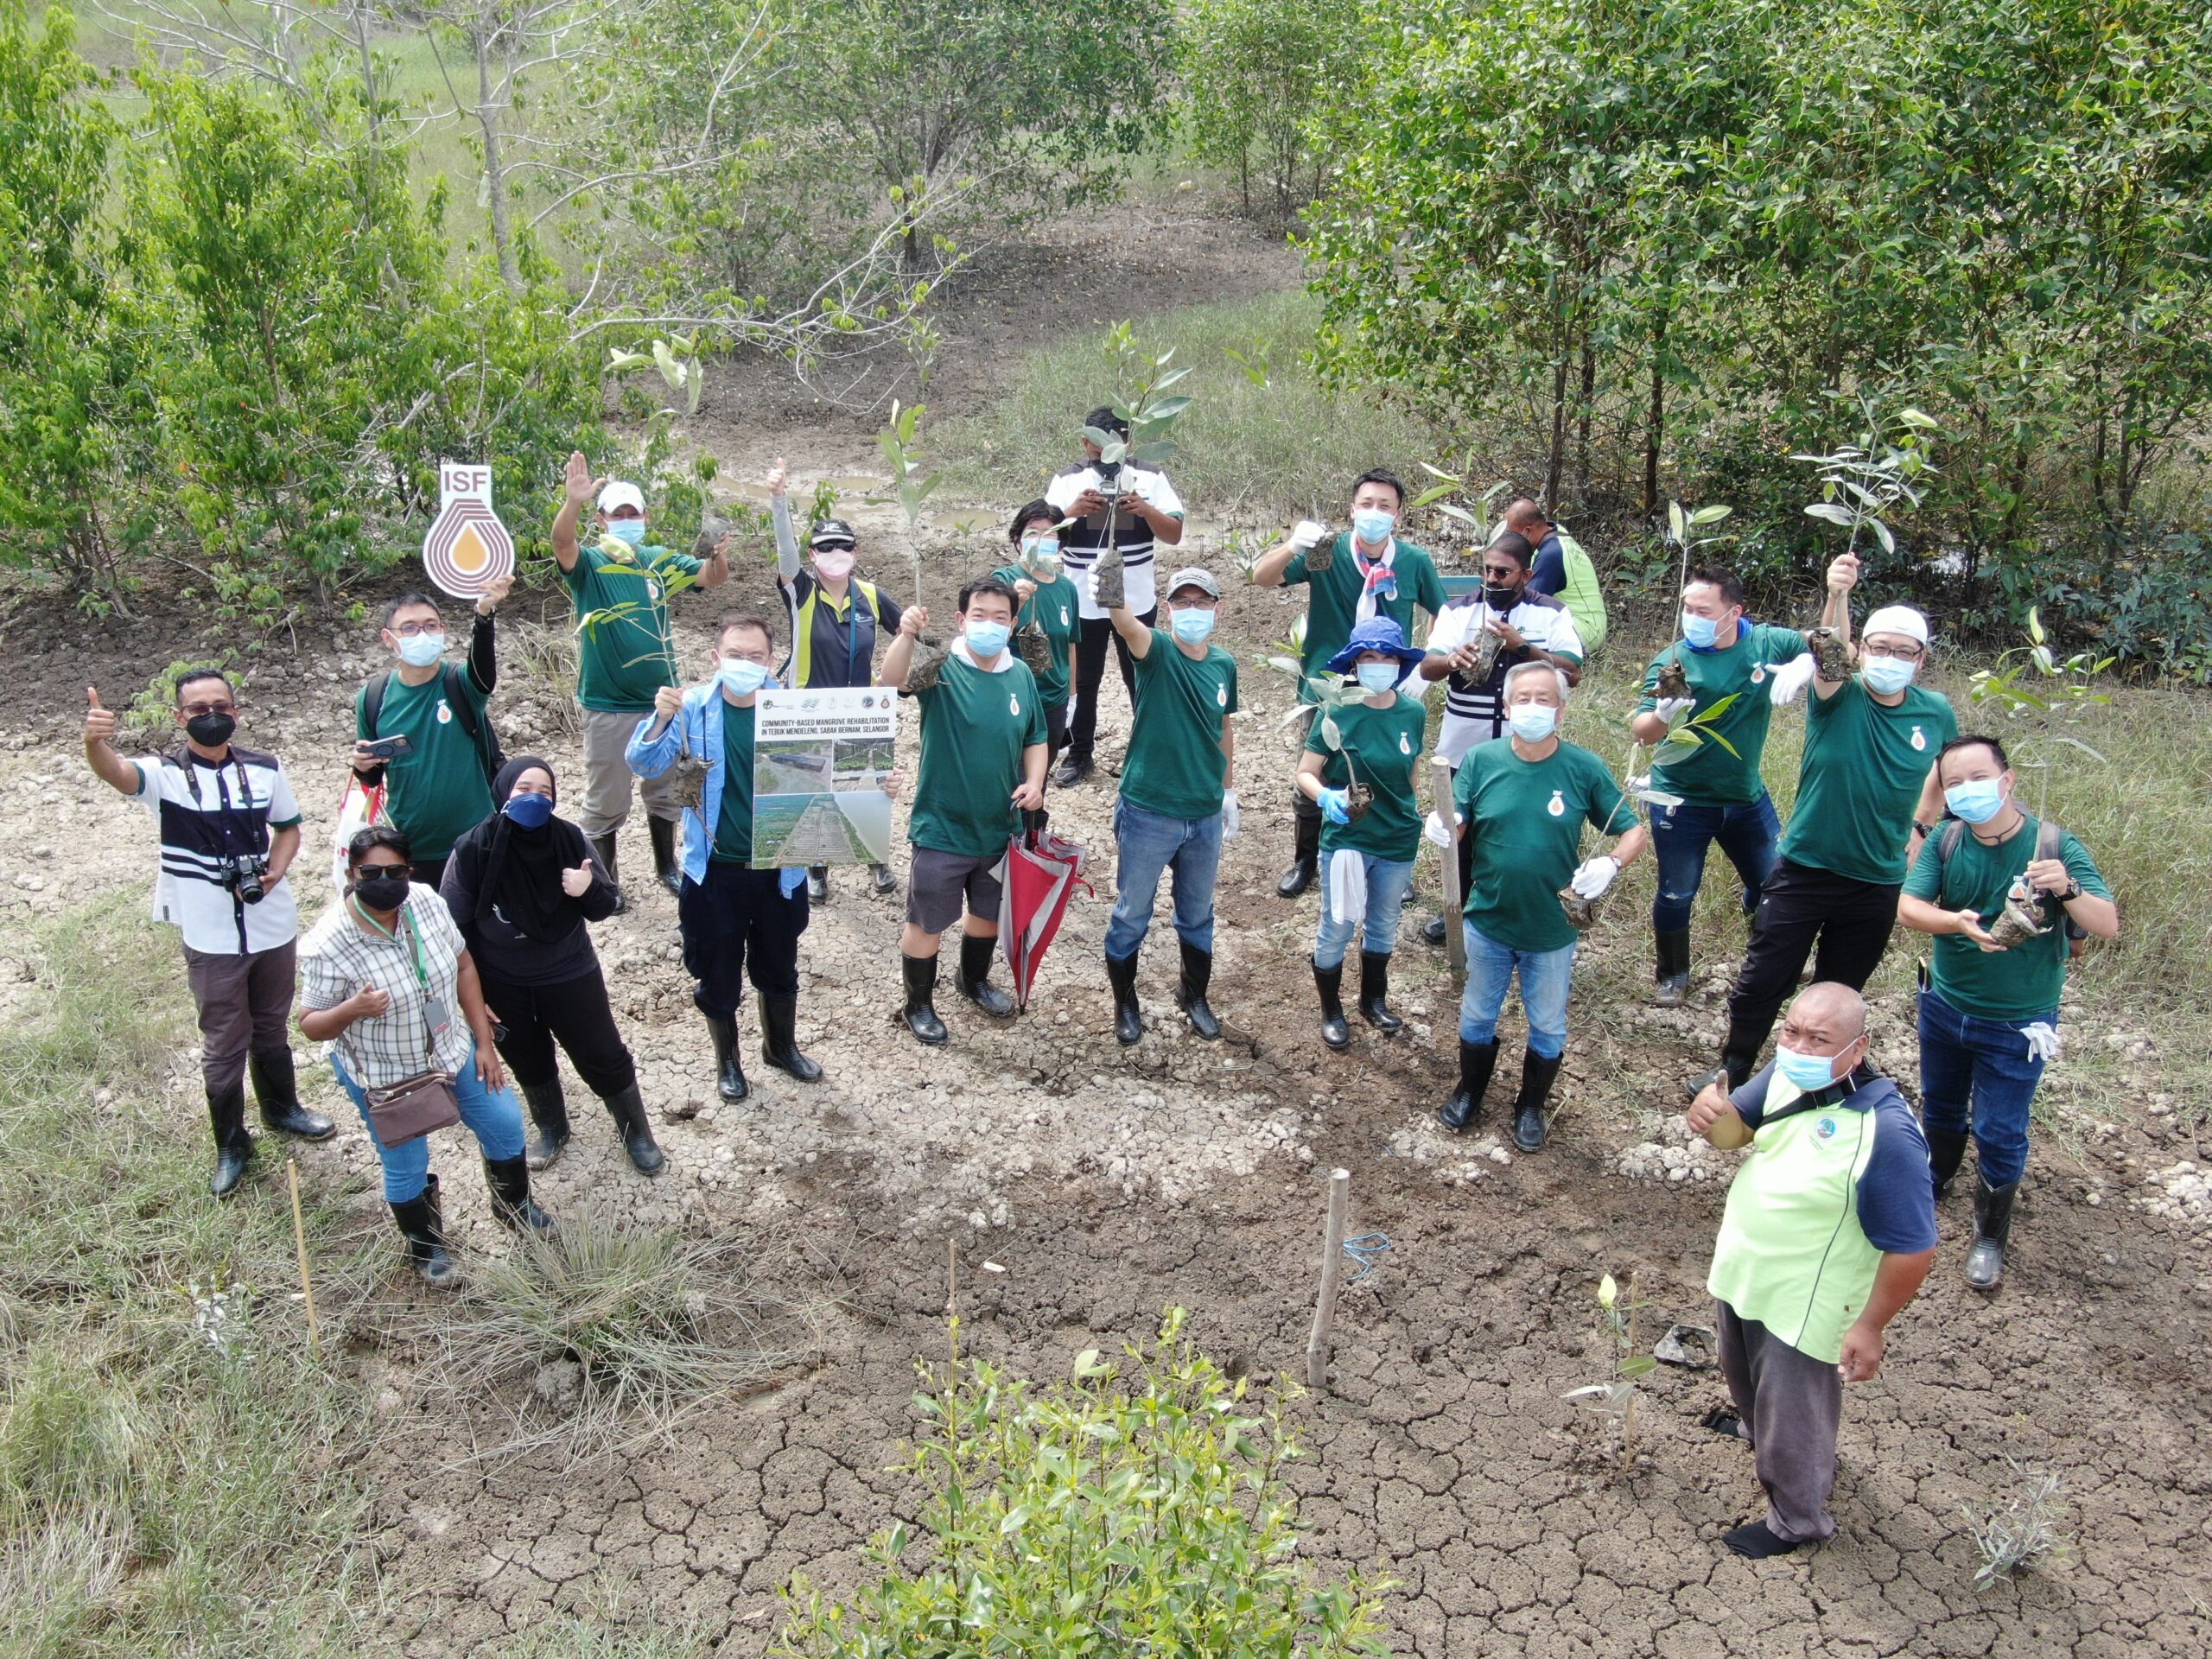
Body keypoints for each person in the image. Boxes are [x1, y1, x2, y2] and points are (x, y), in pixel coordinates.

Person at [1686, 982, 1938, 1557]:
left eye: (1818, 1039)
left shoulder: (1886, 1134)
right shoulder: (1785, 1074)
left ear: (1858, 1048)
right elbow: (1737, 1130)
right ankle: (1755, 1427)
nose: (1798, 1047)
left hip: (1805, 1298)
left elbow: (1914, 1247)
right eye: (1792, 1031)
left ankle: (1797, 1518)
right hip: (1748, 1269)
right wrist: (1711, 1115)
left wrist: (1870, 1326)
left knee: (1795, 1411)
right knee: (1742, 1367)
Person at [1698, 558, 1955, 1094]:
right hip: (1807, 867)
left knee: (1840, 990)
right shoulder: (1839, 695)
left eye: (1903, 652)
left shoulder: (1935, 712)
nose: (1889, 659)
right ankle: (1737, 1065)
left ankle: (1818, 1079)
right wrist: (1838, 595)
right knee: (1764, 978)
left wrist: (1922, 827)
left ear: (1921, 659)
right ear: (1862, 649)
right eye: (1879, 647)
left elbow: (1943, 771)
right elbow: (1830, 651)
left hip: (1876, 879)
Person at [82, 672, 332, 1197]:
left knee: (271, 1023)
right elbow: (118, 774)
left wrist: (276, 869)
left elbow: (288, 826)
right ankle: (231, 1144)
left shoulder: (265, 769)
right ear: (180, 718)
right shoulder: (165, 775)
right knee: (222, 1040)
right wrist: (95, 742)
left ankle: (282, 1109)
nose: (211, 715)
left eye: (221, 705)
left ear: (236, 711)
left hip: (270, 922)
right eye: (198, 709)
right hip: (211, 932)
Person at [1896, 735, 2118, 1289]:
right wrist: (1957, 922)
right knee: (1941, 1105)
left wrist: (2067, 888)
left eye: (1979, 778)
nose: (1966, 791)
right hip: (1944, 1004)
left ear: (2008, 779)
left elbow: (2106, 924)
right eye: (1954, 783)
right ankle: (1936, 1178)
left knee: (2000, 1129)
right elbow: (1908, 907)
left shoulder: (2054, 846)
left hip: (2018, 1021)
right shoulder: (1948, 839)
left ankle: (1990, 1232)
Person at [300, 825, 553, 1287]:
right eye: (371, 872)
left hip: (451, 1048)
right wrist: (353, 1008)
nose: (384, 880)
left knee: (504, 1122)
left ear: (409, 871)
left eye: (395, 871)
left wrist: (483, 1043)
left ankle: (514, 1206)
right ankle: (426, 1248)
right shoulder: (329, 942)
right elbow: (311, 1024)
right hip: (388, 1073)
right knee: (406, 1164)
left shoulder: (424, 902)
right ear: (352, 874)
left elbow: (463, 964)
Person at [1440, 663, 1647, 1151]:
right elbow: (1458, 818)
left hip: (1552, 927)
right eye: (1523, 699)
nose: (1533, 707)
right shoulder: (1481, 760)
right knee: (1477, 1014)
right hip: (1488, 918)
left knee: (1548, 1023)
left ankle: (1530, 1104)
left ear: (1561, 709)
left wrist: (1612, 863)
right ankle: (1470, 1090)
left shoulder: (1583, 768)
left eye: (1544, 699)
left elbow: (1634, 830)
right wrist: (1442, 825)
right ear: (1507, 707)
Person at [626, 613, 820, 1101]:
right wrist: (661, 717)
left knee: (780, 964)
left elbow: (834, 773)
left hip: (780, 867)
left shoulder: (797, 709)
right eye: (735, 655)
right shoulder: (691, 707)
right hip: (714, 870)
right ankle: (728, 1062)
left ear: (771, 661)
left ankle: (780, 1047)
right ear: (716, 658)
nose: (745, 663)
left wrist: (878, 788)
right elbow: (643, 762)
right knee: (717, 971)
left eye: (755, 656)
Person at [440, 757, 664, 1177]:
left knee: (602, 1053)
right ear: (503, 792)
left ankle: (637, 1133)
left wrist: (587, 889)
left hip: (569, 973)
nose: (534, 799)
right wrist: (470, 993)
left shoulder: (570, 840)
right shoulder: (472, 849)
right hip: (502, 982)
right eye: (523, 789)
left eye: (545, 792)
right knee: (527, 1057)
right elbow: (452, 929)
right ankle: (552, 1128)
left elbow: (605, 905)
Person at [1249, 467, 1446, 899]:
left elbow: (1443, 612)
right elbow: (1261, 577)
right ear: (1352, 509)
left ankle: (1392, 861)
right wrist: (1291, 546)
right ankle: (1306, 859)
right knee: (1314, 769)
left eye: (1385, 506)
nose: (1375, 512)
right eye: (1366, 503)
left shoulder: (1413, 561)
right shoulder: (1328, 551)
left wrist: (1425, 667)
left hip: (1387, 683)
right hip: (1328, 684)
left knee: (1392, 769)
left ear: (1399, 514)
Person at [551, 451, 731, 902]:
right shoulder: (591, 564)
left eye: (633, 513)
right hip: (608, 703)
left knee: (665, 790)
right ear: (602, 520)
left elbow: (710, 577)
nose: (627, 520)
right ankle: (606, 882)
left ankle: (665, 866)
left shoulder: (657, 561)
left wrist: (718, 553)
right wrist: (572, 503)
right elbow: (561, 543)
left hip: (661, 702)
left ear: (646, 517)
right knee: (606, 800)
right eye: (618, 514)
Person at [1629, 567, 1809, 1006]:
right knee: (1676, 892)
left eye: (1703, 611)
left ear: (1734, 613)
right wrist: (1664, 715)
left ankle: (1766, 955)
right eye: (1687, 609)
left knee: (1773, 884)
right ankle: (1672, 975)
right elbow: (1642, 731)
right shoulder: (1674, 661)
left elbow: (1825, 643)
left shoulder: (1765, 643)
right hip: (1681, 799)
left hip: (1745, 797)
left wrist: (1808, 658)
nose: (1692, 618)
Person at [881, 577, 1047, 1044]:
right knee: (927, 920)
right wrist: (906, 635)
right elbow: (890, 682)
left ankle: (972, 979)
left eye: (1000, 617)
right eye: (979, 615)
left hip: (1001, 825)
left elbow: (1036, 737)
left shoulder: (1019, 675)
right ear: (961, 620)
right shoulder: (941, 667)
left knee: (989, 913)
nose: (989, 624)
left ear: (1012, 625)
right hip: (943, 825)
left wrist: (1035, 783)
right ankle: (917, 1004)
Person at [1416, 530, 1585, 944]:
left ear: (1526, 574)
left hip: (1523, 746)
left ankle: (1514, 909)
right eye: (1487, 570)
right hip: (1463, 744)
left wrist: (1522, 648)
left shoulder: (1551, 613)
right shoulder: (1458, 610)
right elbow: (1427, 666)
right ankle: (1456, 908)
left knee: (1513, 829)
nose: (1492, 578)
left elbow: (1572, 671)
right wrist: (1452, 659)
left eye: (1503, 572)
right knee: (1459, 831)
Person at [1097, 564, 1239, 1045]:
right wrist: (1112, 591)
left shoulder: (1223, 665)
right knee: (1132, 912)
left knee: (1197, 912)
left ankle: (1193, 994)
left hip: (1204, 813)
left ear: (1217, 609)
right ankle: (1125, 1003)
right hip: (1148, 811)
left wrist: (1228, 790)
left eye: (1202, 602)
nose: (1192, 611)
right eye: (1183, 602)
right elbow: (1126, 625)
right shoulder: (1156, 650)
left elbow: (1223, 727)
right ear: (1169, 609)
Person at [767, 456, 903, 900]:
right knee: (813, 787)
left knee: (864, 783)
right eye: (825, 547)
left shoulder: (871, 596)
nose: (834, 553)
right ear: (813, 554)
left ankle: (874, 858)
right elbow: (785, 554)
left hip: (860, 710)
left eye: (842, 546)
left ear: (855, 551)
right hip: (807, 708)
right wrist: (779, 500)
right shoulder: (801, 592)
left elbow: (907, 634)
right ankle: (816, 866)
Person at [1295, 619, 1431, 1050]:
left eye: (1387, 657)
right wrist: (1326, 797)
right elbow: (1306, 772)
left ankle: (1373, 1000)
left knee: (1384, 923)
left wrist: (1415, 812)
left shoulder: (1413, 713)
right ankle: (1331, 1008)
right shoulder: (1336, 712)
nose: (1379, 664)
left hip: (1397, 838)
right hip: (1349, 837)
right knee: (1338, 924)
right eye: (1369, 657)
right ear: (1354, 663)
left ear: (1400, 663)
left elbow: (1411, 774)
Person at [1044, 406, 1187, 787]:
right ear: (1084, 442)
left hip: (1135, 600)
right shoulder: (1067, 480)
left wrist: (1145, 509)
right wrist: (1071, 513)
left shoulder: (1150, 476)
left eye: (1112, 450)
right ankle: (1079, 753)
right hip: (1081, 599)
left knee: (1141, 677)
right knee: (1083, 680)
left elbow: (1174, 534)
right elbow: (1042, 540)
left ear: (1127, 442)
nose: (1103, 459)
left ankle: (1148, 755)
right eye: (1095, 451)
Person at [353, 581, 511, 894]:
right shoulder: (372, 697)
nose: (422, 635)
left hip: (474, 840)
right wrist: (362, 765)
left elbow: (484, 674)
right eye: (409, 628)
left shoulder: (460, 682)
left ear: (442, 630)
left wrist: (483, 615)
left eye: (430, 626)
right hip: (411, 846)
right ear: (388, 638)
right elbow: (372, 777)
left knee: (476, 922)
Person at [992, 499, 1082, 766]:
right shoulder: (1003, 581)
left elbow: (1070, 645)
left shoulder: (1067, 588)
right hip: (1013, 696)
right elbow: (989, 637)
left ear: (1060, 543)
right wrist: (1016, 601)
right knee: (1010, 769)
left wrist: (1072, 697)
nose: (1041, 539)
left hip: (1054, 699)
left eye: (1049, 533)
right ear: (1018, 541)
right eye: (1032, 532)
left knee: (1041, 771)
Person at [1503, 498, 1608, 654]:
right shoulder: (1553, 534)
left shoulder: (1552, 554)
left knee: (1517, 634)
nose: (1510, 541)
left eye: (1512, 535)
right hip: (1584, 621)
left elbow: (1527, 605)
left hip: (1585, 628)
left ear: (1528, 532)